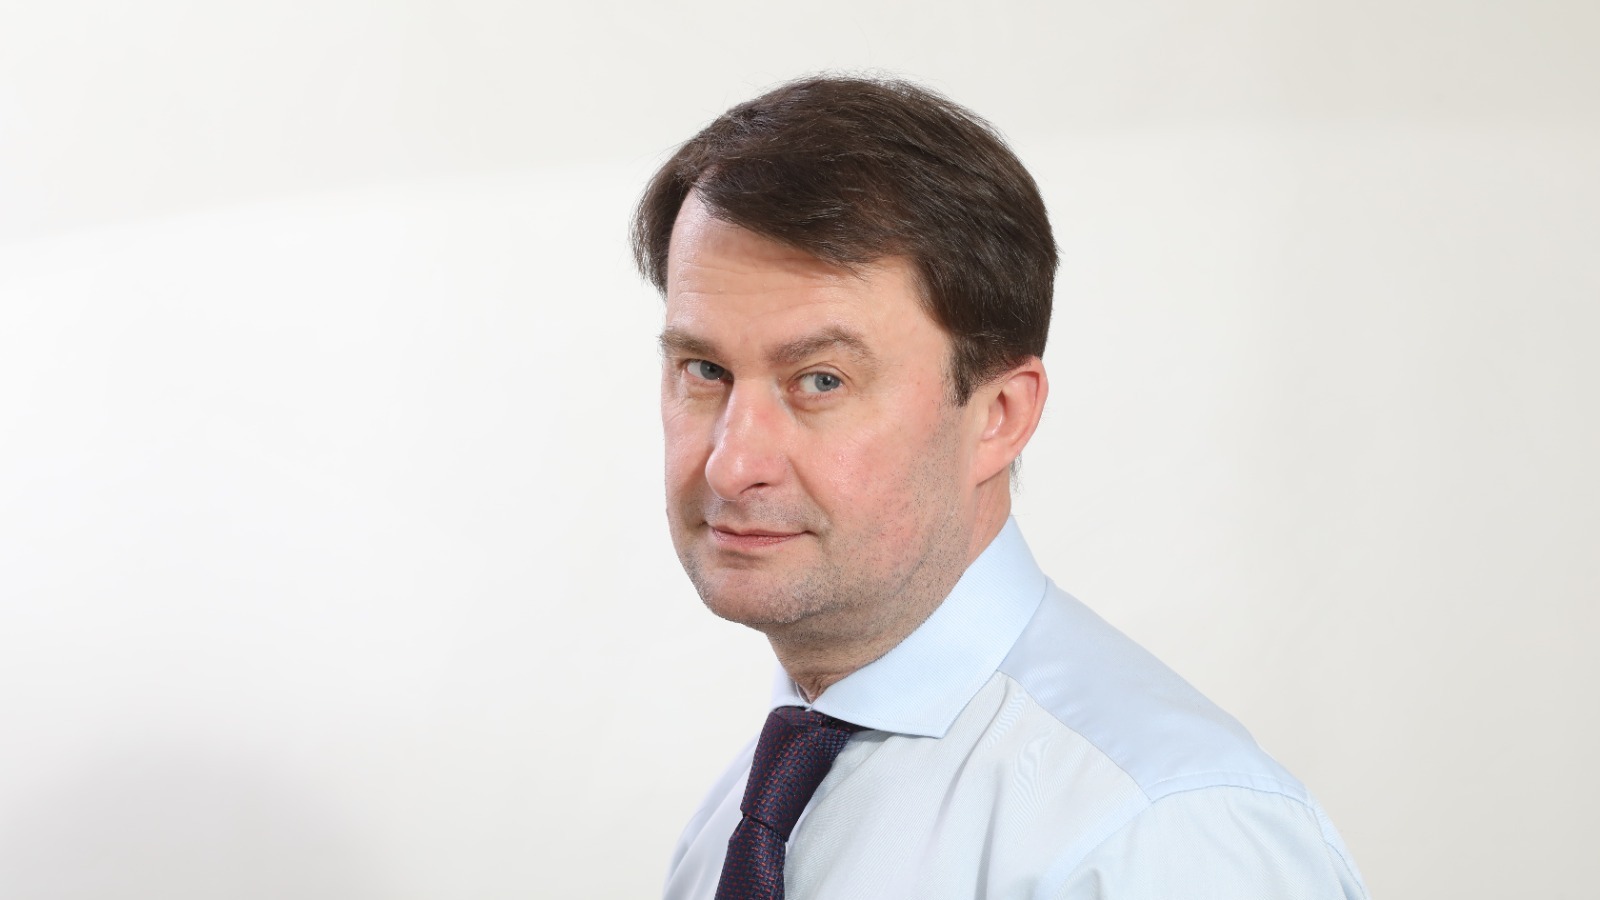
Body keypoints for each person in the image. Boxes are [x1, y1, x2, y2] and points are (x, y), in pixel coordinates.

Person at [632, 75, 1369, 900]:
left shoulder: (1162, 834)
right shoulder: (743, 816)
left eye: (822, 381)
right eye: (704, 370)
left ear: (999, 417)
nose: (732, 465)